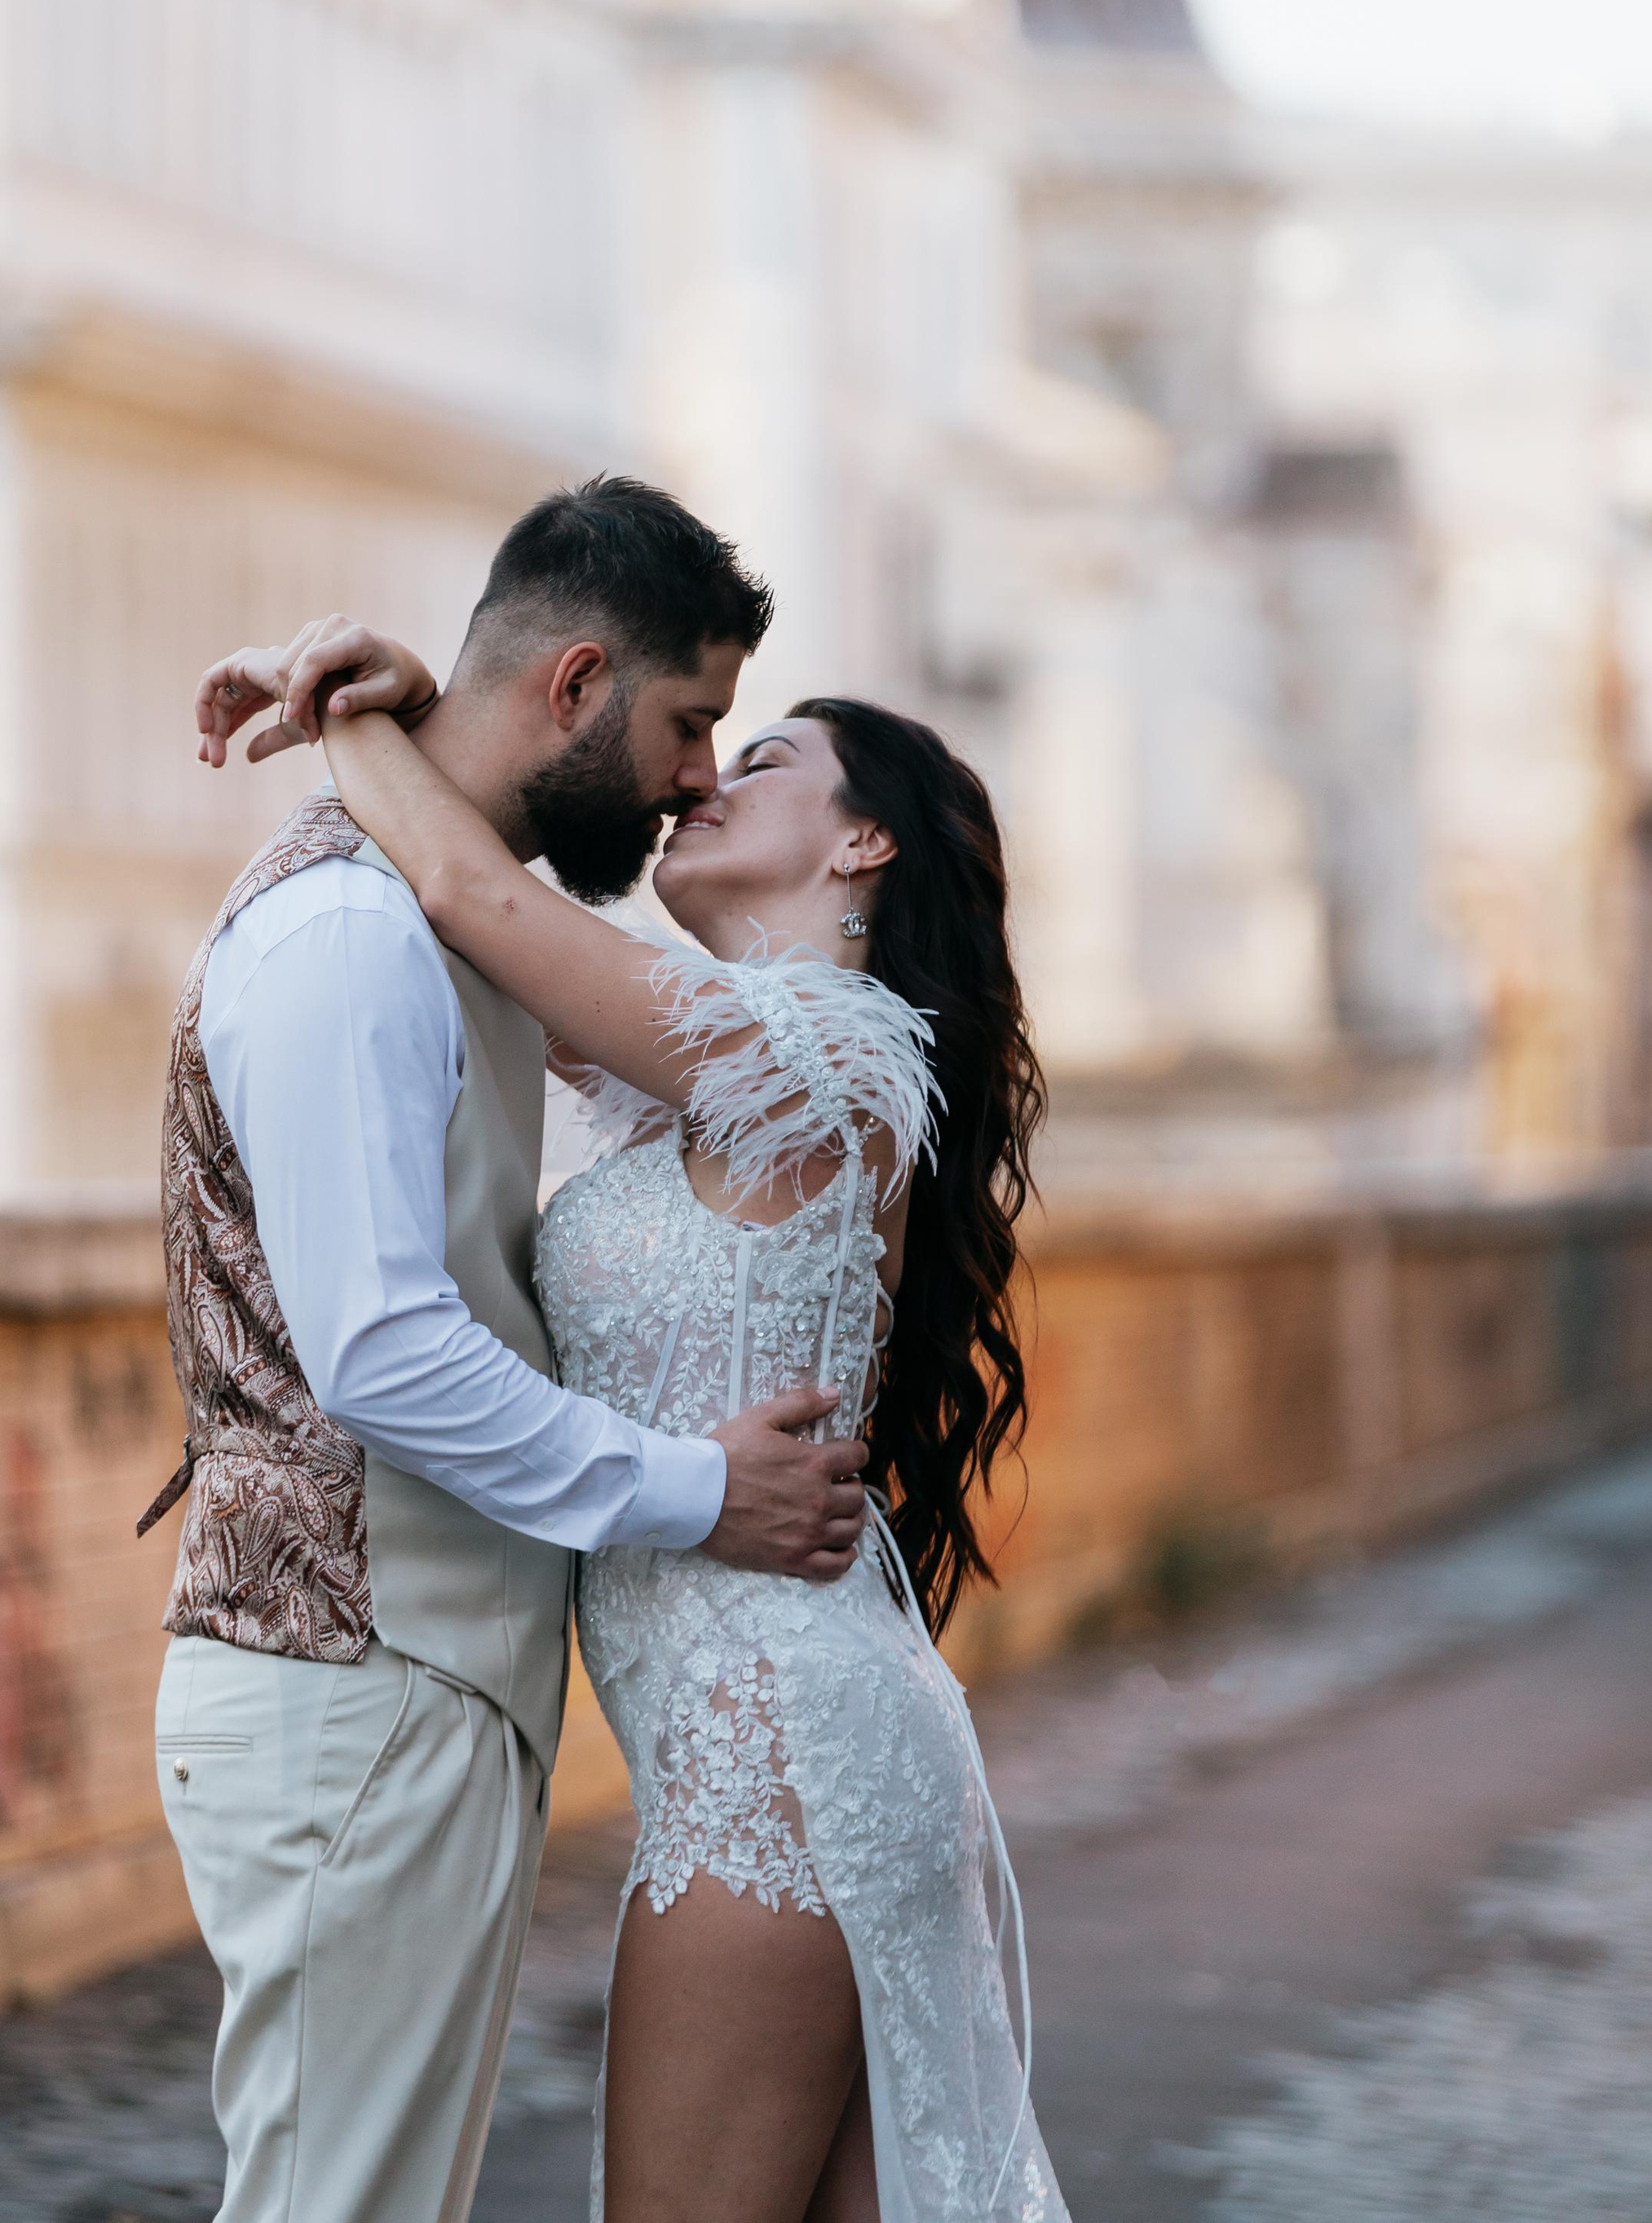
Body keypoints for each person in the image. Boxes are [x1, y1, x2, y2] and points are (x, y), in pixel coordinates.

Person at [205, 593, 1072, 2223]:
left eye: (760, 759)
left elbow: (465, 887)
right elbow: (489, 922)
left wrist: (345, 711)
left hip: (771, 1770)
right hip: (781, 1751)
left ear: (864, 842)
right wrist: (457, 704)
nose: (698, 789)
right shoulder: (703, 1077)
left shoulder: (833, 1054)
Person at [148, 479, 873, 2223]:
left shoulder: (458, 920)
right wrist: (697, 1492)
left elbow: (500, 896)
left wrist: (365, 717)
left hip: (421, 1689)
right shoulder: (345, 938)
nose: (702, 772)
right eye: (690, 722)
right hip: (355, 1684)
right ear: (572, 688)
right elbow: (385, 1352)